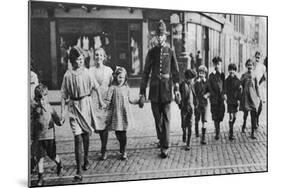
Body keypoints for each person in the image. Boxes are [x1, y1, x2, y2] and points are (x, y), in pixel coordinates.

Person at [61, 47, 104, 181]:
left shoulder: (87, 73)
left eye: (80, 59)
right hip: (74, 107)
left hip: (86, 104)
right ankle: (79, 170)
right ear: (71, 61)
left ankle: (85, 158)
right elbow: (63, 95)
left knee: (86, 135)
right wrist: (63, 112)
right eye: (76, 60)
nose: (79, 62)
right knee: (77, 138)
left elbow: (96, 87)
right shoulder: (67, 75)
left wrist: (101, 101)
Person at [139, 20, 180, 158]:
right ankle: (161, 138)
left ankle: (165, 146)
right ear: (155, 37)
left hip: (167, 89)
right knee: (158, 119)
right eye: (158, 36)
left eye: (162, 35)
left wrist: (177, 89)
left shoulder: (170, 51)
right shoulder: (151, 52)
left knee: (167, 118)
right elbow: (145, 73)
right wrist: (142, 92)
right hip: (155, 91)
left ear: (166, 37)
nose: (160, 38)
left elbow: (175, 71)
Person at [32, 84, 63, 186]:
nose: (42, 100)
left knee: (52, 154)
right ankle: (40, 177)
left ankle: (59, 162)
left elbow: (57, 119)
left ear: (47, 96)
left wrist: (60, 122)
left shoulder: (50, 108)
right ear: (36, 98)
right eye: (39, 97)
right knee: (40, 157)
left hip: (49, 136)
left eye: (44, 97)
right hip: (39, 137)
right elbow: (33, 122)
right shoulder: (35, 109)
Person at [105, 67, 139, 160]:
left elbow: (131, 100)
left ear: (125, 78)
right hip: (116, 114)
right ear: (116, 77)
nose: (121, 79)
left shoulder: (126, 88)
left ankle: (124, 151)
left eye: (123, 78)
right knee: (117, 133)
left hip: (124, 114)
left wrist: (138, 101)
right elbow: (107, 100)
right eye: (119, 77)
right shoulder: (112, 88)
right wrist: (104, 107)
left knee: (123, 133)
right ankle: (121, 145)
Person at [89, 48, 113, 160]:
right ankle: (103, 147)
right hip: (94, 101)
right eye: (97, 55)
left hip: (105, 100)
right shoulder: (90, 70)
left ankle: (104, 149)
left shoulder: (108, 70)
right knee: (98, 126)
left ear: (104, 57)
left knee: (105, 126)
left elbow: (113, 84)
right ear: (94, 57)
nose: (98, 57)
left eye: (101, 55)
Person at [240, 59, 260, 139]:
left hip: (253, 96)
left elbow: (257, 86)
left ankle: (252, 132)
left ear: (253, 66)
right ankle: (244, 123)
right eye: (248, 65)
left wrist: (259, 97)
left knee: (254, 113)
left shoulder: (255, 75)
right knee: (245, 113)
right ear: (246, 66)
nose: (249, 66)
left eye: (251, 65)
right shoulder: (244, 75)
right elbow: (240, 85)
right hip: (246, 96)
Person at [207, 56, 225, 140]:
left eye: (218, 64)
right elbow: (209, 86)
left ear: (220, 64)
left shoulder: (222, 74)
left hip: (221, 98)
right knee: (215, 115)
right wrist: (212, 95)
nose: (217, 66)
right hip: (214, 98)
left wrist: (224, 94)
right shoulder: (211, 75)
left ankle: (218, 126)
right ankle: (217, 131)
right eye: (215, 64)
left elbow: (225, 85)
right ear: (213, 64)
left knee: (221, 114)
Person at [179, 69, 197, 151]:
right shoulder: (182, 85)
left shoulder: (193, 85)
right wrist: (180, 104)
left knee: (190, 125)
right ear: (187, 78)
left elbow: (195, 95)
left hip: (191, 107)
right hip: (184, 107)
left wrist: (196, 104)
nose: (192, 80)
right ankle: (184, 133)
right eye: (191, 78)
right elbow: (179, 96)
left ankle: (188, 143)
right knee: (183, 124)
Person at [224, 63, 241, 140]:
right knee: (230, 117)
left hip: (235, 100)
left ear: (235, 71)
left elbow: (239, 91)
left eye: (233, 70)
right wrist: (225, 95)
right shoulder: (226, 80)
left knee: (235, 117)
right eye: (230, 70)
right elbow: (224, 89)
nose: (231, 71)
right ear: (228, 70)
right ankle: (231, 133)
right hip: (230, 100)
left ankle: (231, 126)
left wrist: (239, 100)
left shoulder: (238, 80)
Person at [194, 65, 209, 144]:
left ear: (205, 74)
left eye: (203, 73)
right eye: (200, 72)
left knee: (204, 120)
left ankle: (203, 137)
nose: (201, 74)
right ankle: (196, 131)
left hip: (204, 103)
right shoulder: (196, 82)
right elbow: (194, 91)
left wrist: (207, 95)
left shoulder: (207, 82)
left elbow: (210, 91)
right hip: (198, 103)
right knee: (197, 118)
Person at [253, 51, 266, 128]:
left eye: (259, 57)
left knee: (260, 106)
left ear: (261, 58)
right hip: (253, 87)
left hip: (260, 87)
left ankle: (257, 117)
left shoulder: (263, 67)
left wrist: (259, 83)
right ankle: (254, 121)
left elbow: (265, 77)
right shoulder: (253, 65)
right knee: (254, 105)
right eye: (256, 57)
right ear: (254, 57)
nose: (257, 59)